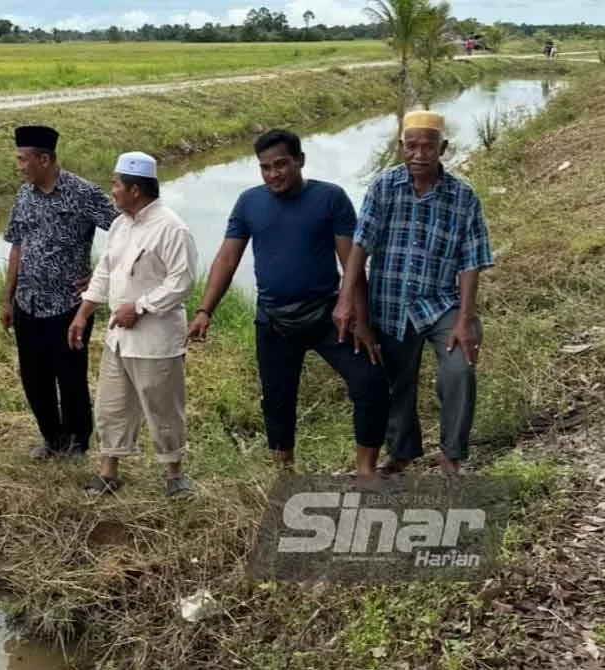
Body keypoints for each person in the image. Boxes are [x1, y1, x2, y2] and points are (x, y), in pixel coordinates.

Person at [188, 129, 389, 478]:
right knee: (278, 401)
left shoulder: (330, 198)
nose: (273, 174)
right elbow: (226, 259)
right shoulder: (249, 202)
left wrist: (363, 321)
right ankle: (285, 473)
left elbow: (351, 263)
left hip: (328, 315)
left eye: (280, 165)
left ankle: (365, 470)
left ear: (300, 160)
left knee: (370, 382)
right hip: (274, 321)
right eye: (265, 167)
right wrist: (206, 310)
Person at [334, 110, 494, 475]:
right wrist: (347, 303)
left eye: (428, 147)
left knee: (459, 369)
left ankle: (452, 455)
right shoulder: (384, 186)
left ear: (444, 148)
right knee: (394, 379)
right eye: (412, 146)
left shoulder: (463, 196)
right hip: (390, 301)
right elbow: (361, 245)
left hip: (441, 302)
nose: (419, 154)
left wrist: (466, 319)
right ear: (401, 147)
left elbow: (472, 259)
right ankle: (402, 451)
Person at [69, 151, 198, 497]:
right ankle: (108, 472)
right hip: (118, 339)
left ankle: (174, 475)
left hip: (156, 341)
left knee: (164, 409)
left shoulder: (172, 228)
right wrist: (84, 312)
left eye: (115, 184)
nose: (111, 190)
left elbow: (182, 281)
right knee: (111, 406)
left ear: (136, 190)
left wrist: (140, 307)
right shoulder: (119, 225)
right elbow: (106, 272)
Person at [1, 125, 118, 462]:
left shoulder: (83, 193)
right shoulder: (24, 195)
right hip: (28, 304)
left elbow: (126, 232)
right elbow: (16, 248)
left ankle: (78, 443)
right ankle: (51, 438)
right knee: (34, 379)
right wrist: (7, 299)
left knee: (70, 379)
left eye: (23, 160)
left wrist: (99, 279)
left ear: (45, 158)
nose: (20, 166)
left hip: (69, 307)